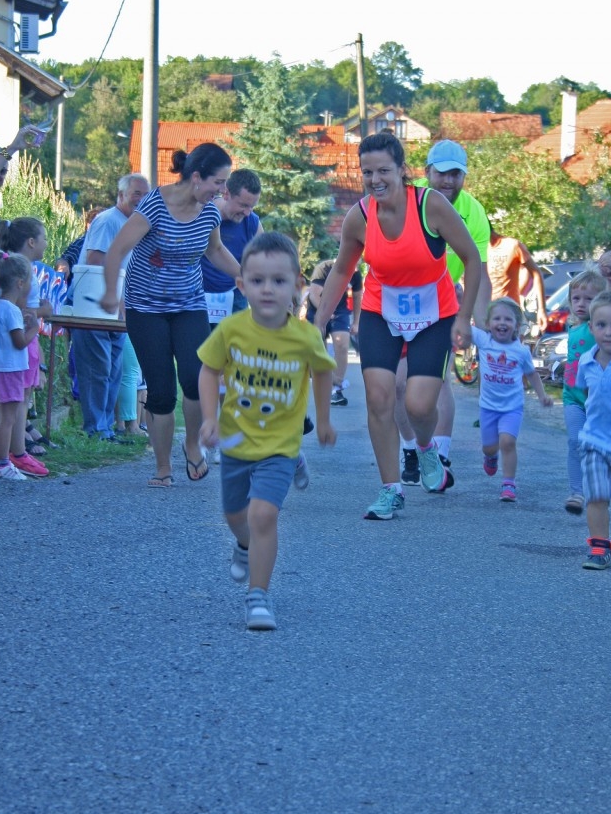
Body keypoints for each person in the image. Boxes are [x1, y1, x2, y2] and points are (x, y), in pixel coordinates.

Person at [314, 131, 481, 520]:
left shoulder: (430, 205)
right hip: (381, 312)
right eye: (367, 172)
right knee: (379, 398)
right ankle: (390, 489)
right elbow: (342, 270)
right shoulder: (360, 216)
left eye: (383, 171)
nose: (375, 180)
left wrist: (464, 317)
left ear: (402, 170)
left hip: (434, 315)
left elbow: (472, 258)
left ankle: (425, 448)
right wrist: (318, 322)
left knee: (419, 405)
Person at [198, 232, 337, 630]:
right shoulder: (232, 329)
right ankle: (243, 544)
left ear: (297, 286)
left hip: (280, 444)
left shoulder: (305, 337)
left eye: (278, 280)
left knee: (262, 515)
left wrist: (324, 420)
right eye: (257, 281)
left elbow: (323, 373)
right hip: (236, 441)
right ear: (241, 285)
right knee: (235, 515)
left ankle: (258, 596)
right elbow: (209, 370)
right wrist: (209, 418)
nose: (267, 289)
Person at [101, 143, 241, 487]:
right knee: (162, 390)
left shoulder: (209, 213)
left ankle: (192, 445)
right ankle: (163, 468)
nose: (222, 190)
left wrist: (244, 278)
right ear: (197, 177)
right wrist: (110, 292)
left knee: (196, 377)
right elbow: (117, 249)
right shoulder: (155, 205)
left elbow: (215, 250)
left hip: (189, 304)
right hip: (145, 309)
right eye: (218, 182)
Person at [395, 139, 492, 486]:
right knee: (399, 384)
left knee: (436, 382)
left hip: (441, 302)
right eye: (442, 174)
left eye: (456, 174)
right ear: (427, 172)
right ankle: (411, 449)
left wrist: (482, 324)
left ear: (464, 176)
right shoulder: (408, 198)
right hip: (398, 298)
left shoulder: (473, 212)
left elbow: (478, 271)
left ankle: (442, 456)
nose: (448, 181)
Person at [71, 174, 150, 442]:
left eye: (145, 194)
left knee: (113, 370)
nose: (141, 199)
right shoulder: (108, 221)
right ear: (121, 195)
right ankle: (96, 429)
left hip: (117, 310)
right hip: (95, 307)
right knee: (98, 369)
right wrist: (114, 300)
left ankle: (105, 428)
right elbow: (95, 262)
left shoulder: (134, 225)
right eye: (136, 193)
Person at [472, 297, 553, 502]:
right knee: (489, 447)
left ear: (517, 326)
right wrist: (460, 301)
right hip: (488, 407)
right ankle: (491, 457)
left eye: (508, 319)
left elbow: (532, 374)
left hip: (512, 407)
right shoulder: (484, 341)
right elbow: (462, 325)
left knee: (508, 442)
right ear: (488, 323)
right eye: (497, 318)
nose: (502, 323)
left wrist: (542, 395)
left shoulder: (521, 351)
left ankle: (509, 483)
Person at [0, 217, 53, 477]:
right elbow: (22, 317)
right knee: (14, 410)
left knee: (16, 408)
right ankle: (9, 458)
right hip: (14, 358)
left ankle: (14, 455)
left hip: (10, 358)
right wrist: (41, 316)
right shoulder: (17, 278)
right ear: (31, 242)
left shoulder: (8, 272)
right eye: (44, 238)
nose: (46, 243)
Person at [575, 289, 611, 570]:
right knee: (596, 495)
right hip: (594, 443)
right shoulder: (586, 361)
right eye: (602, 325)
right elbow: (587, 395)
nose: (609, 332)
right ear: (591, 327)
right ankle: (599, 546)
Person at [0, 251, 39, 480]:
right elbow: (19, 342)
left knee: (4, 418)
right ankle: (2, 463)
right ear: (20, 283)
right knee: (8, 419)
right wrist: (33, 329)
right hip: (10, 370)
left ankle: (1, 462)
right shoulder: (11, 309)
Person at [561, 268, 607, 516]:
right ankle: (577, 492)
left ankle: (601, 487)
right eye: (576, 298)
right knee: (574, 442)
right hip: (572, 397)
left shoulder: (597, 328)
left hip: (598, 399)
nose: (581, 304)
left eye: (588, 299)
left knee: (601, 447)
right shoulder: (573, 327)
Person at [201, 168, 263, 324]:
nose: (247, 212)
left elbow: (265, 260)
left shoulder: (252, 223)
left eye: (252, 207)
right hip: (198, 296)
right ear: (226, 194)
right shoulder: (201, 214)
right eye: (243, 205)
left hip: (235, 296)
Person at [305, 258, 363, 405]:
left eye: (357, 266)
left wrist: (356, 322)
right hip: (317, 309)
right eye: (353, 265)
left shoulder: (356, 274)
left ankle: (336, 390)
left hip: (340, 311)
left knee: (342, 344)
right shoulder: (324, 268)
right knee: (320, 350)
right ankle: (326, 381)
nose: (355, 269)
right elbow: (314, 295)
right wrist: (324, 314)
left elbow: (357, 297)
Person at [487, 222, 548, 331]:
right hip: (489, 313)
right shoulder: (478, 249)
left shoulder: (512, 245)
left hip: (511, 313)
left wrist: (541, 310)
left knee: (514, 342)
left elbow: (536, 273)